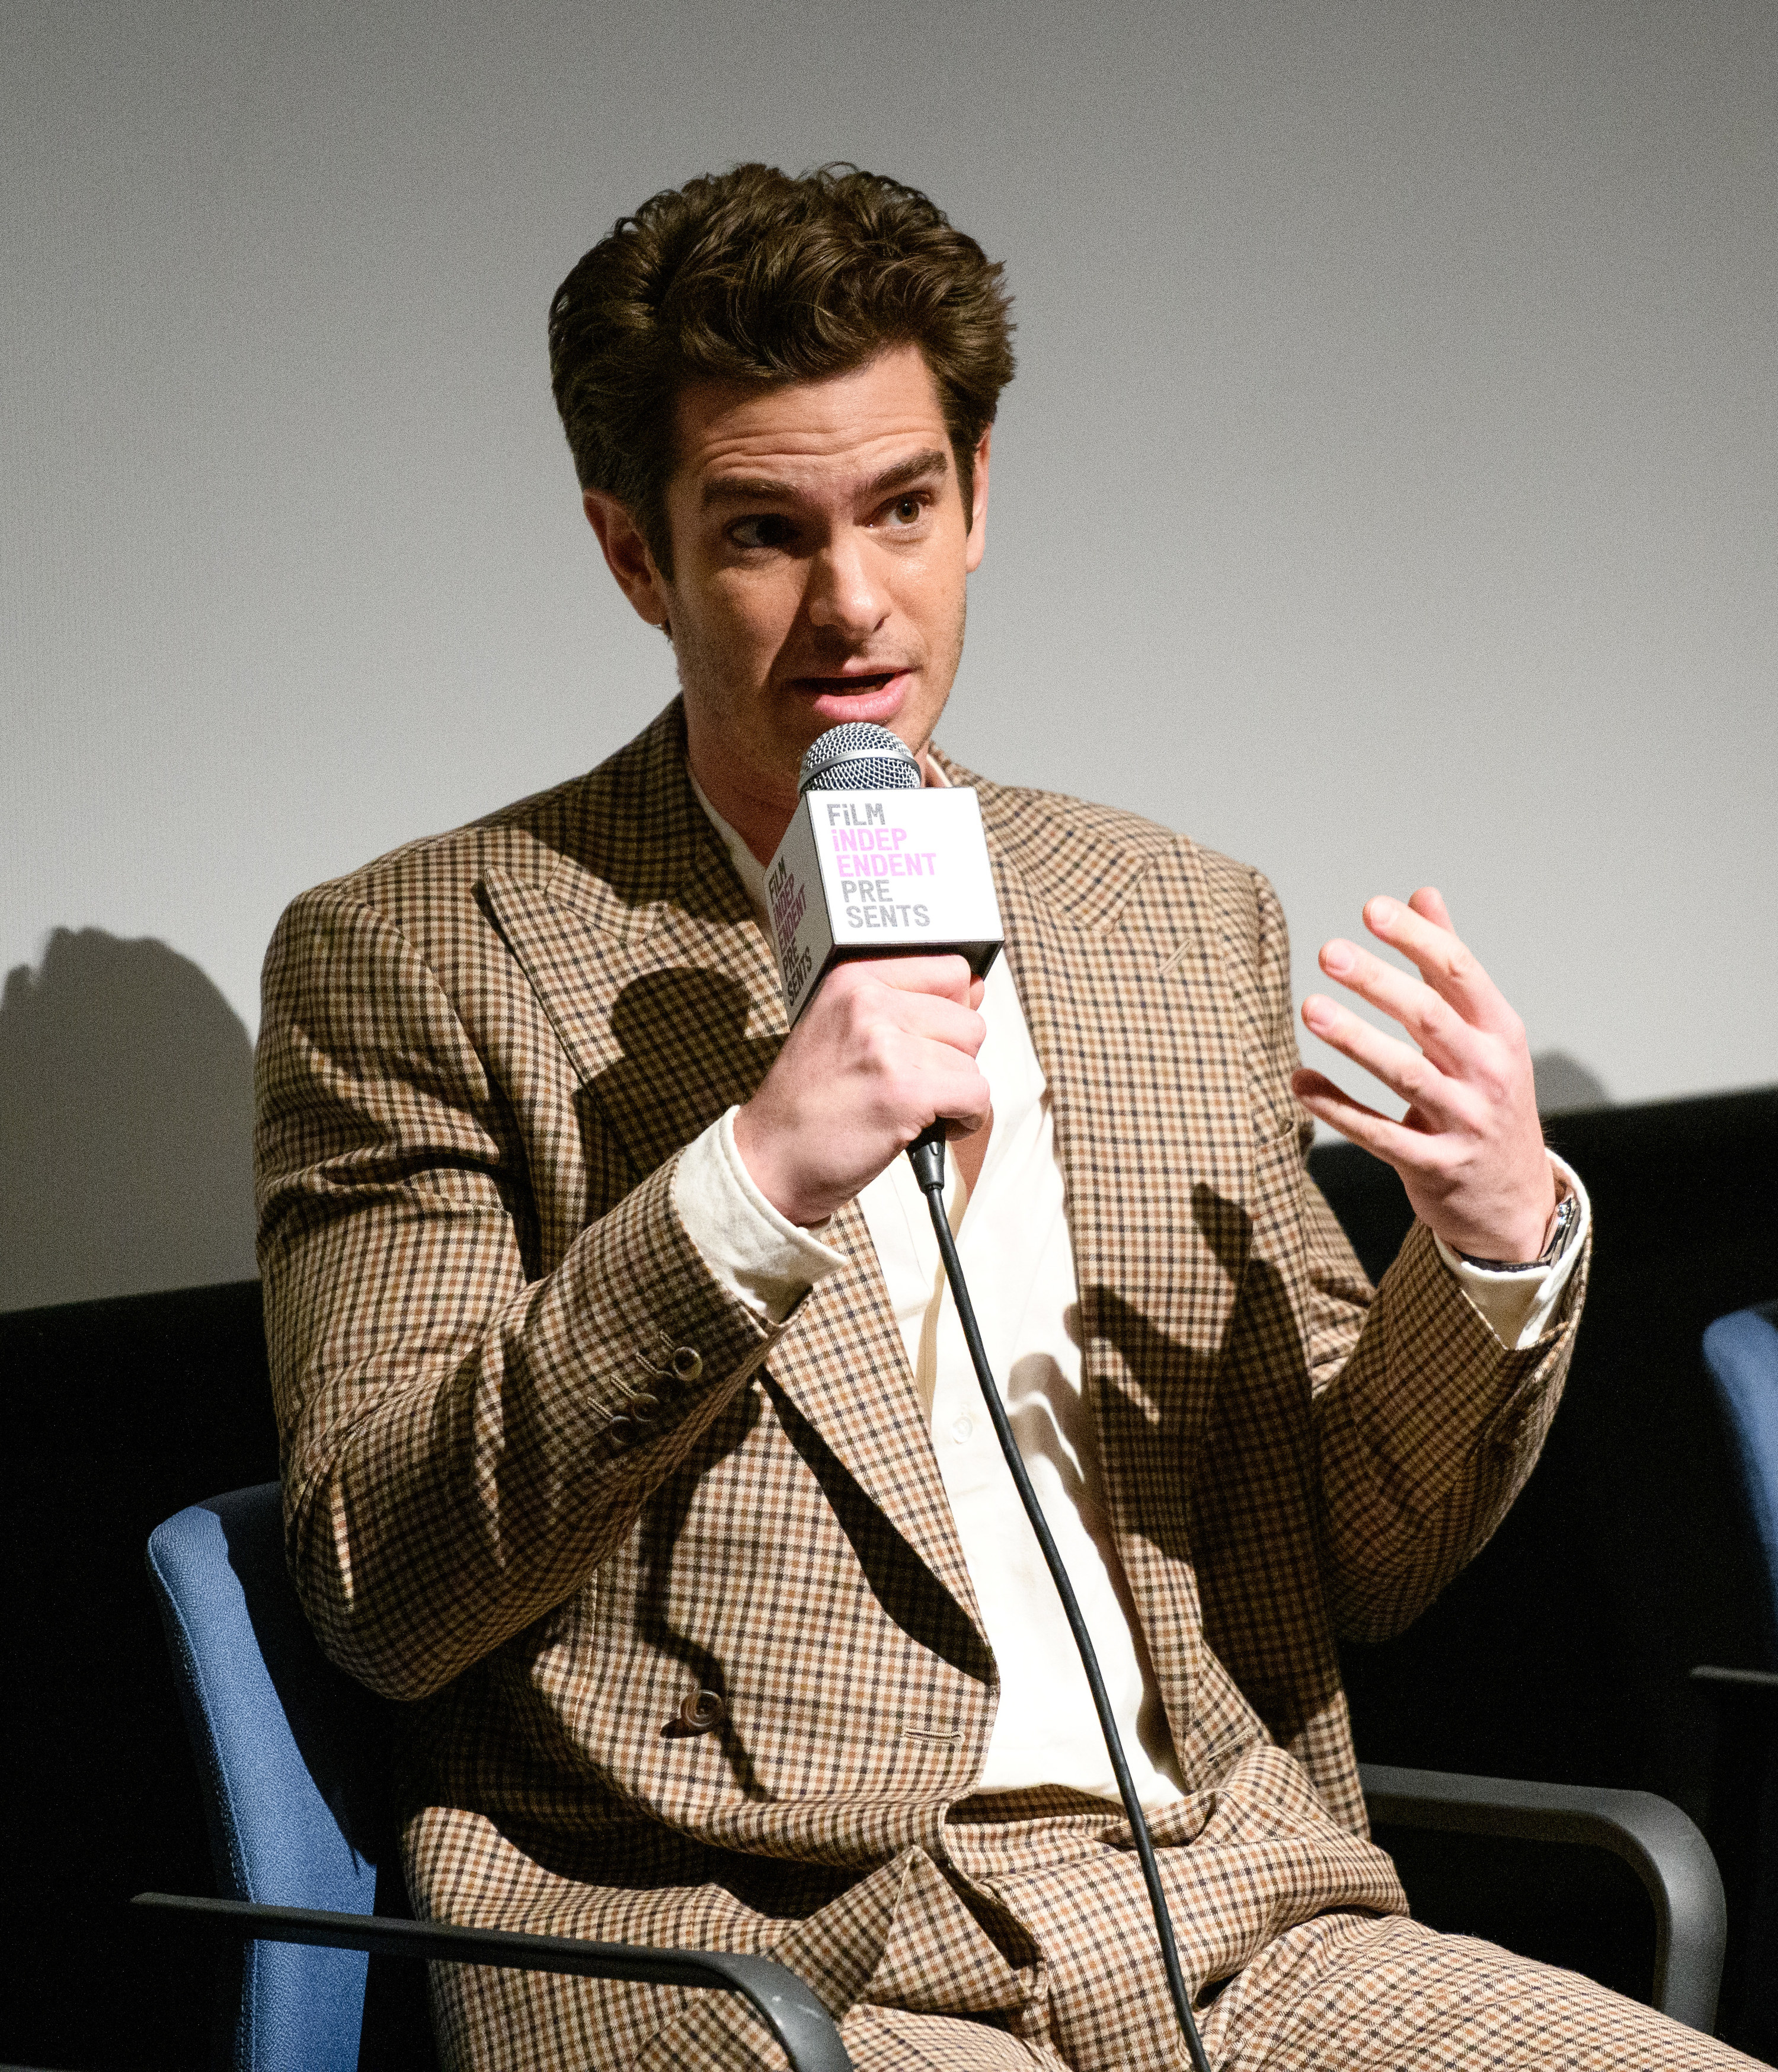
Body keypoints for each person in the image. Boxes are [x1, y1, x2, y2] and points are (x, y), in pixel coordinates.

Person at [254, 164, 1739, 2071]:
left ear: (976, 505)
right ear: (638, 558)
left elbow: (1351, 1558)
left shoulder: (1168, 919)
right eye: (764, 532)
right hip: (755, 1969)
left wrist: (1491, 1246)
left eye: (902, 509)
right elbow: (382, 1585)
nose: (854, 601)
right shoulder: (420, 955)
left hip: (1230, 1915)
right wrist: (754, 1181)